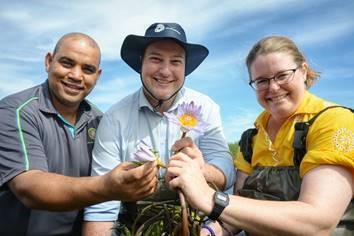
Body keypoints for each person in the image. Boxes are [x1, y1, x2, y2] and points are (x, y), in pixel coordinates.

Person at [166, 36, 354, 235]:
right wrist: (211, 231)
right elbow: (236, 217)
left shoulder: (335, 122)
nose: (273, 87)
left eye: (283, 75)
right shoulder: (252, 138)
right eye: (262, 81)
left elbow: (318, 223)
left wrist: (209, 197)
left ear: (303, 71)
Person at [83, 22, 236, 234]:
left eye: (176, 61)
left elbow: (226, 167)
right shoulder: (114, 118)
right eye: (156, 59)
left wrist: (201, 170)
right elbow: (102, 208)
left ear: (185, 68)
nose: (165, 71)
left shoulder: (206, 107)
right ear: (141, 63)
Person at [0, 32, 158, 236]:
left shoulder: (101, 120)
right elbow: (29, 187)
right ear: (49, 61)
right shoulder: (15, 111)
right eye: (67, 63)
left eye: (88, 69)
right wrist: (108, 186)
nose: (76, 75)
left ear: (98, 76)